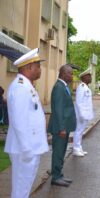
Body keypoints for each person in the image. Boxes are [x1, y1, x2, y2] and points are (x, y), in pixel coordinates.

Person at [4, 48, 49, 198]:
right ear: (29, 67)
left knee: (24, 187)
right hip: (24, 148)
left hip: (28, 146)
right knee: (21, 189)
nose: (40, 69)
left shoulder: (26, 85)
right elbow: (19, 122)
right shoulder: (21, 88)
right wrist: (27, 150)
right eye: (37, 66)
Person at [48, 64, 76, 187]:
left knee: (62, 151)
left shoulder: (64, 86)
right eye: (70, 73)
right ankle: (56, 177)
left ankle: (59, 174)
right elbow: (58, 110)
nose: (72, 76)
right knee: (58, 151)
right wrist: (62, 128)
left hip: (64, 126)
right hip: (60, 127)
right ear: (63, 74)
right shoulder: (59, 87)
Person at [73, 69, 94, 157]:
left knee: (81, 131)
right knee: (78, 131)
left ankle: (79, 147)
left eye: (90, 76)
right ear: (83, 77)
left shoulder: (85, 87)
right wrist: (82, 114)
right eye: (88, 76)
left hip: (85, 114)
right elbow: (79, 102)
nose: (90, 78)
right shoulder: (81, 87)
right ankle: (76, 149)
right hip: (81, 114)